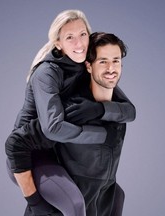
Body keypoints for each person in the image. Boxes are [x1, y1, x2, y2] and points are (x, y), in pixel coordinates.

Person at [5, 10, 135, 216]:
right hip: (30, 154)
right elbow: (53, 128)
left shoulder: (86, 66)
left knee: (115, 196)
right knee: (74, 204)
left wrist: (99, 109)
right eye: (70, 37)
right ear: (58, 43)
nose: (79, 43)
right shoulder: (46, 73)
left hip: (58, 151)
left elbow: (129, 111)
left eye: (83, 35)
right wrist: (101, 135)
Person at [56, 32, 134, 216]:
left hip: (105, 194)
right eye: (103, 61)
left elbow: (131, 112)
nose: (111, 68)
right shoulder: (73, 107)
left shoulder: (120, 107)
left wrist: (100, 110)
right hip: (74, 197)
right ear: (89, 66)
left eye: (115, 61)